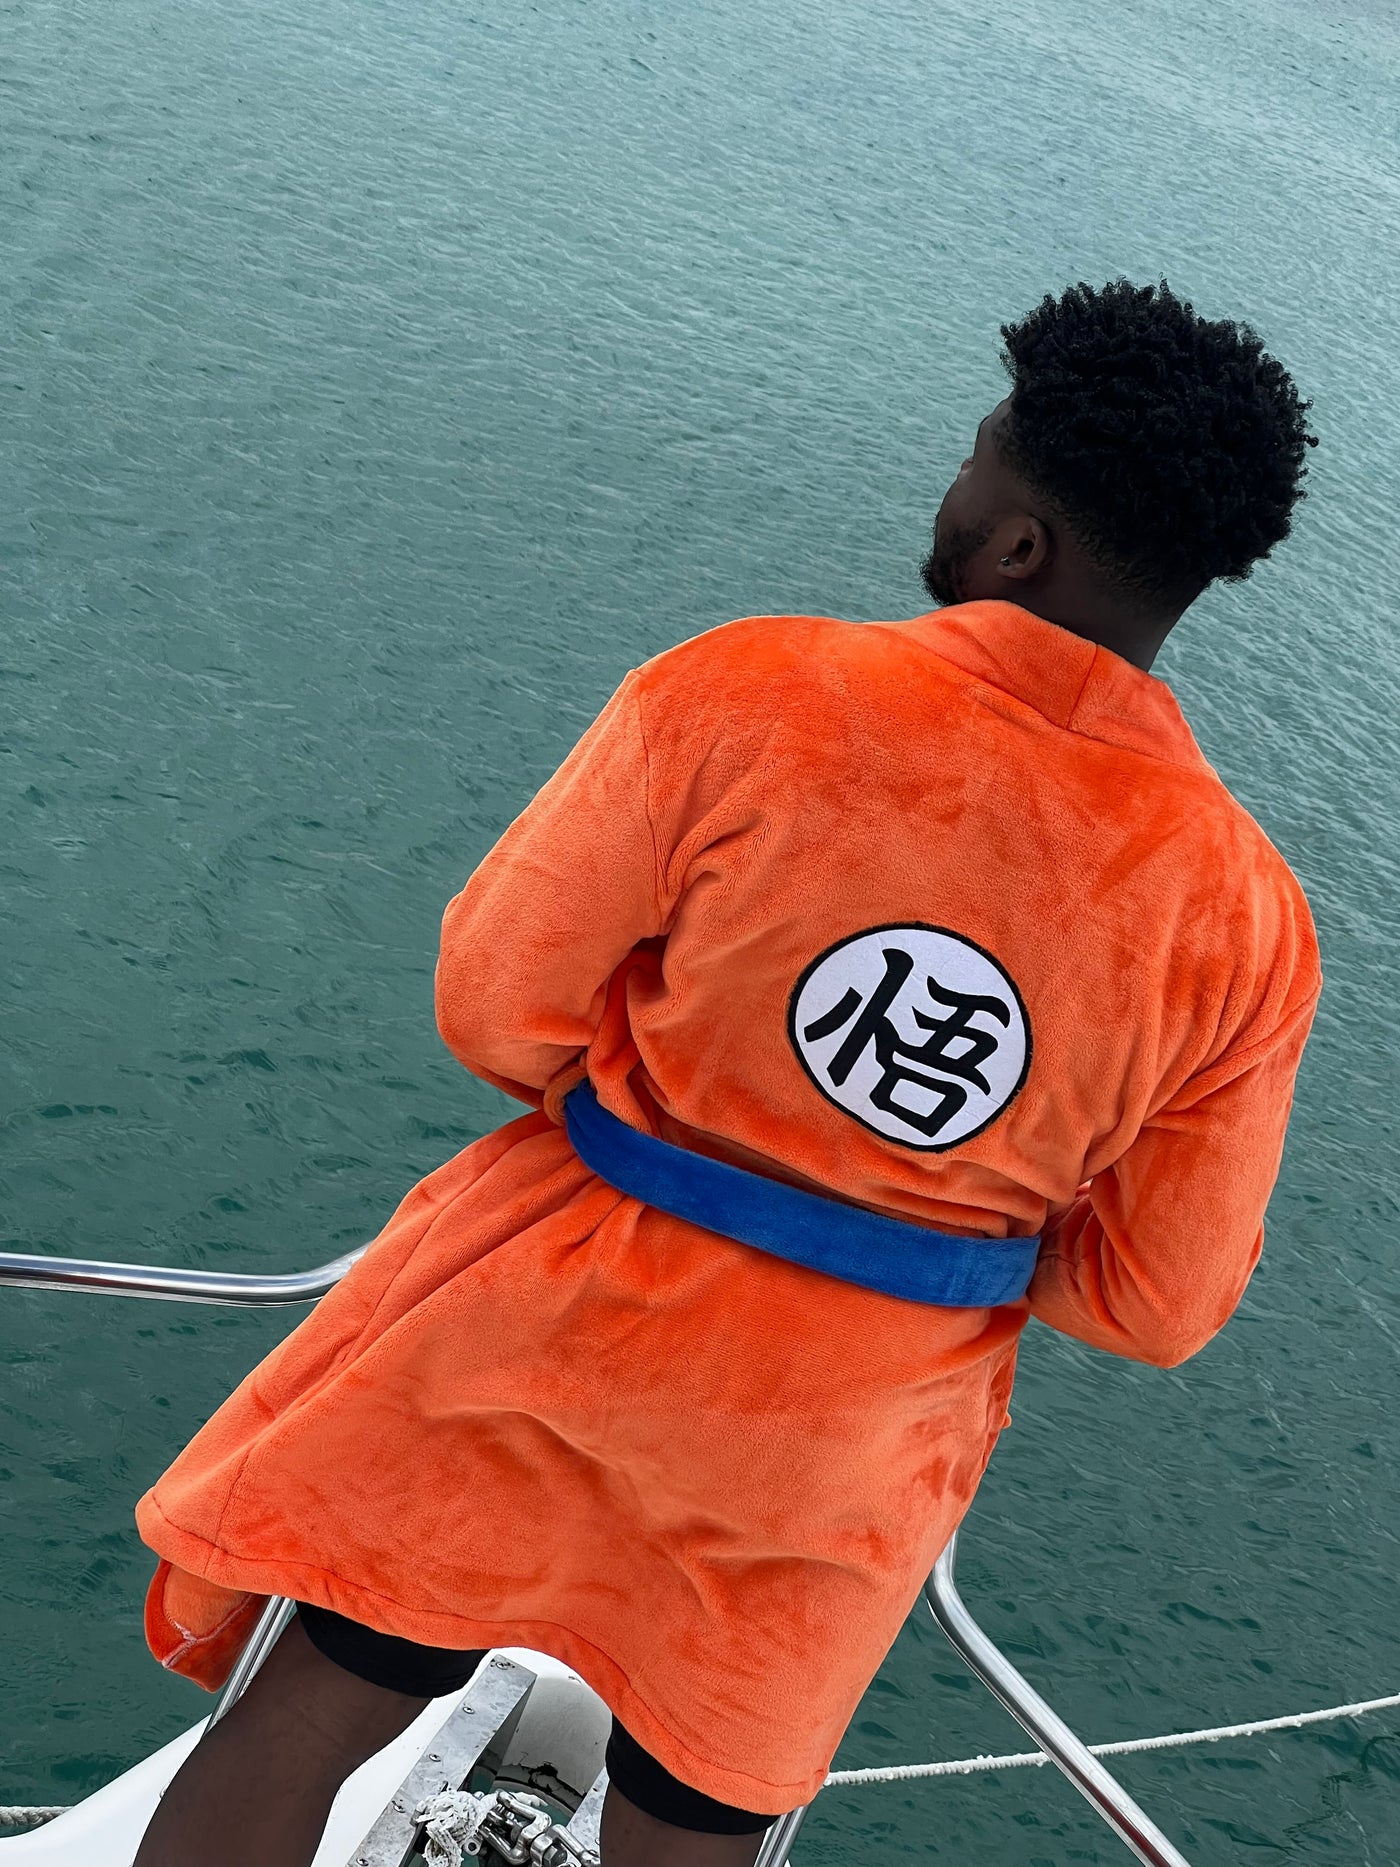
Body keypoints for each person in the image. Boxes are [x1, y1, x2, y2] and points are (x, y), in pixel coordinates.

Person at [132, 278, 1322, 1867]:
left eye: (977, 458)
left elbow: (494, 1006)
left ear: (1020, 542)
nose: (956, 487)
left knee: (304, 1725)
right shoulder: (1245, 917)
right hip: (835, 1451)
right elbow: (1155, 1302)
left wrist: (674, 1111)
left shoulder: (747, 690)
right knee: (692, 1838)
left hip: (547, 1332)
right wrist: (924, 1224)